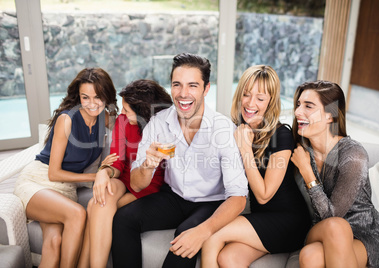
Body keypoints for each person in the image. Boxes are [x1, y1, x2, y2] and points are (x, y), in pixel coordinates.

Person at [111, 52, 249, 268]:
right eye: (177, 84)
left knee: (185, 236)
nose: (183, 94)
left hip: (210, 201)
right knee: (123, 219)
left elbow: (238, 197)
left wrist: (204, 230)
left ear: (206, 89)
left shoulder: (223, 130)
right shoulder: (158, 122)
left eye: (193, 85)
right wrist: (148, 165)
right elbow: (137, 184)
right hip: (174, 197)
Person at [201, 65, 311, 267]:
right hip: (262, 219)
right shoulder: (237, 130)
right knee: (228, 258)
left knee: (212, 235)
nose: (251, 103)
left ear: (270, 102)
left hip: (289, 221)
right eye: (246, 94)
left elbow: (264, 195)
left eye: (260, 98)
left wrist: (245, 149)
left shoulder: (282, 135)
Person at [13, 67, 118, 267]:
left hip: (65, 190)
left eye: (98, 97)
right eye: (85, 98)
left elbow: (128, 128)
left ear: (106, 97)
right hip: (39, 181)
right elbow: (54, 173)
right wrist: (96, 176)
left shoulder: (105, 119)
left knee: (54, 243)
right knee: (78, 214)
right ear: (78, 97)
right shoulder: (66, 119)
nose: (92, 104)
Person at [290, 80, 379, 267]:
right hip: (321, 230)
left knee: (312, 255)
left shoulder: (353, 155)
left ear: (330, 115)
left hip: (364, 236)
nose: (297, 112)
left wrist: (307, 172)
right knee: (336, 227)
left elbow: (332, 216)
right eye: (298, 105)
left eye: (308, 106)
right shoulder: (301, 150)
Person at [77, 79, 173, 268]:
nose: (121, 113)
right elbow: (118, 160)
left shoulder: (165, 125)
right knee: (101, 198)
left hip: (148, 188)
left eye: (126, 110)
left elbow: (163, 171)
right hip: (124, 179)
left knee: (96, 207)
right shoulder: (123, 121)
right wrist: (104, 172)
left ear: (142, 110)